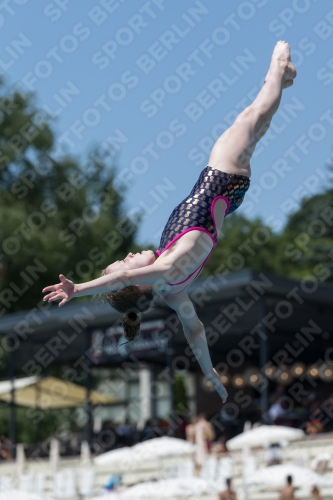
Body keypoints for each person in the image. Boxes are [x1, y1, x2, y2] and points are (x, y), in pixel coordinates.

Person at [42, 42, 296, 403]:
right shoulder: (164, 271)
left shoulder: (174, 291)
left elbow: (195, 331)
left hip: (228, 192)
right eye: (126, 260)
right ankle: (279, 65)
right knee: (251, 118)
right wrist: (78, 289)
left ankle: (282, 79)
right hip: (220, 180)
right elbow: (124, 279)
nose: (129, 256)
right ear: (140, 285)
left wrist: (209, 371)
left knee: (257, 124)